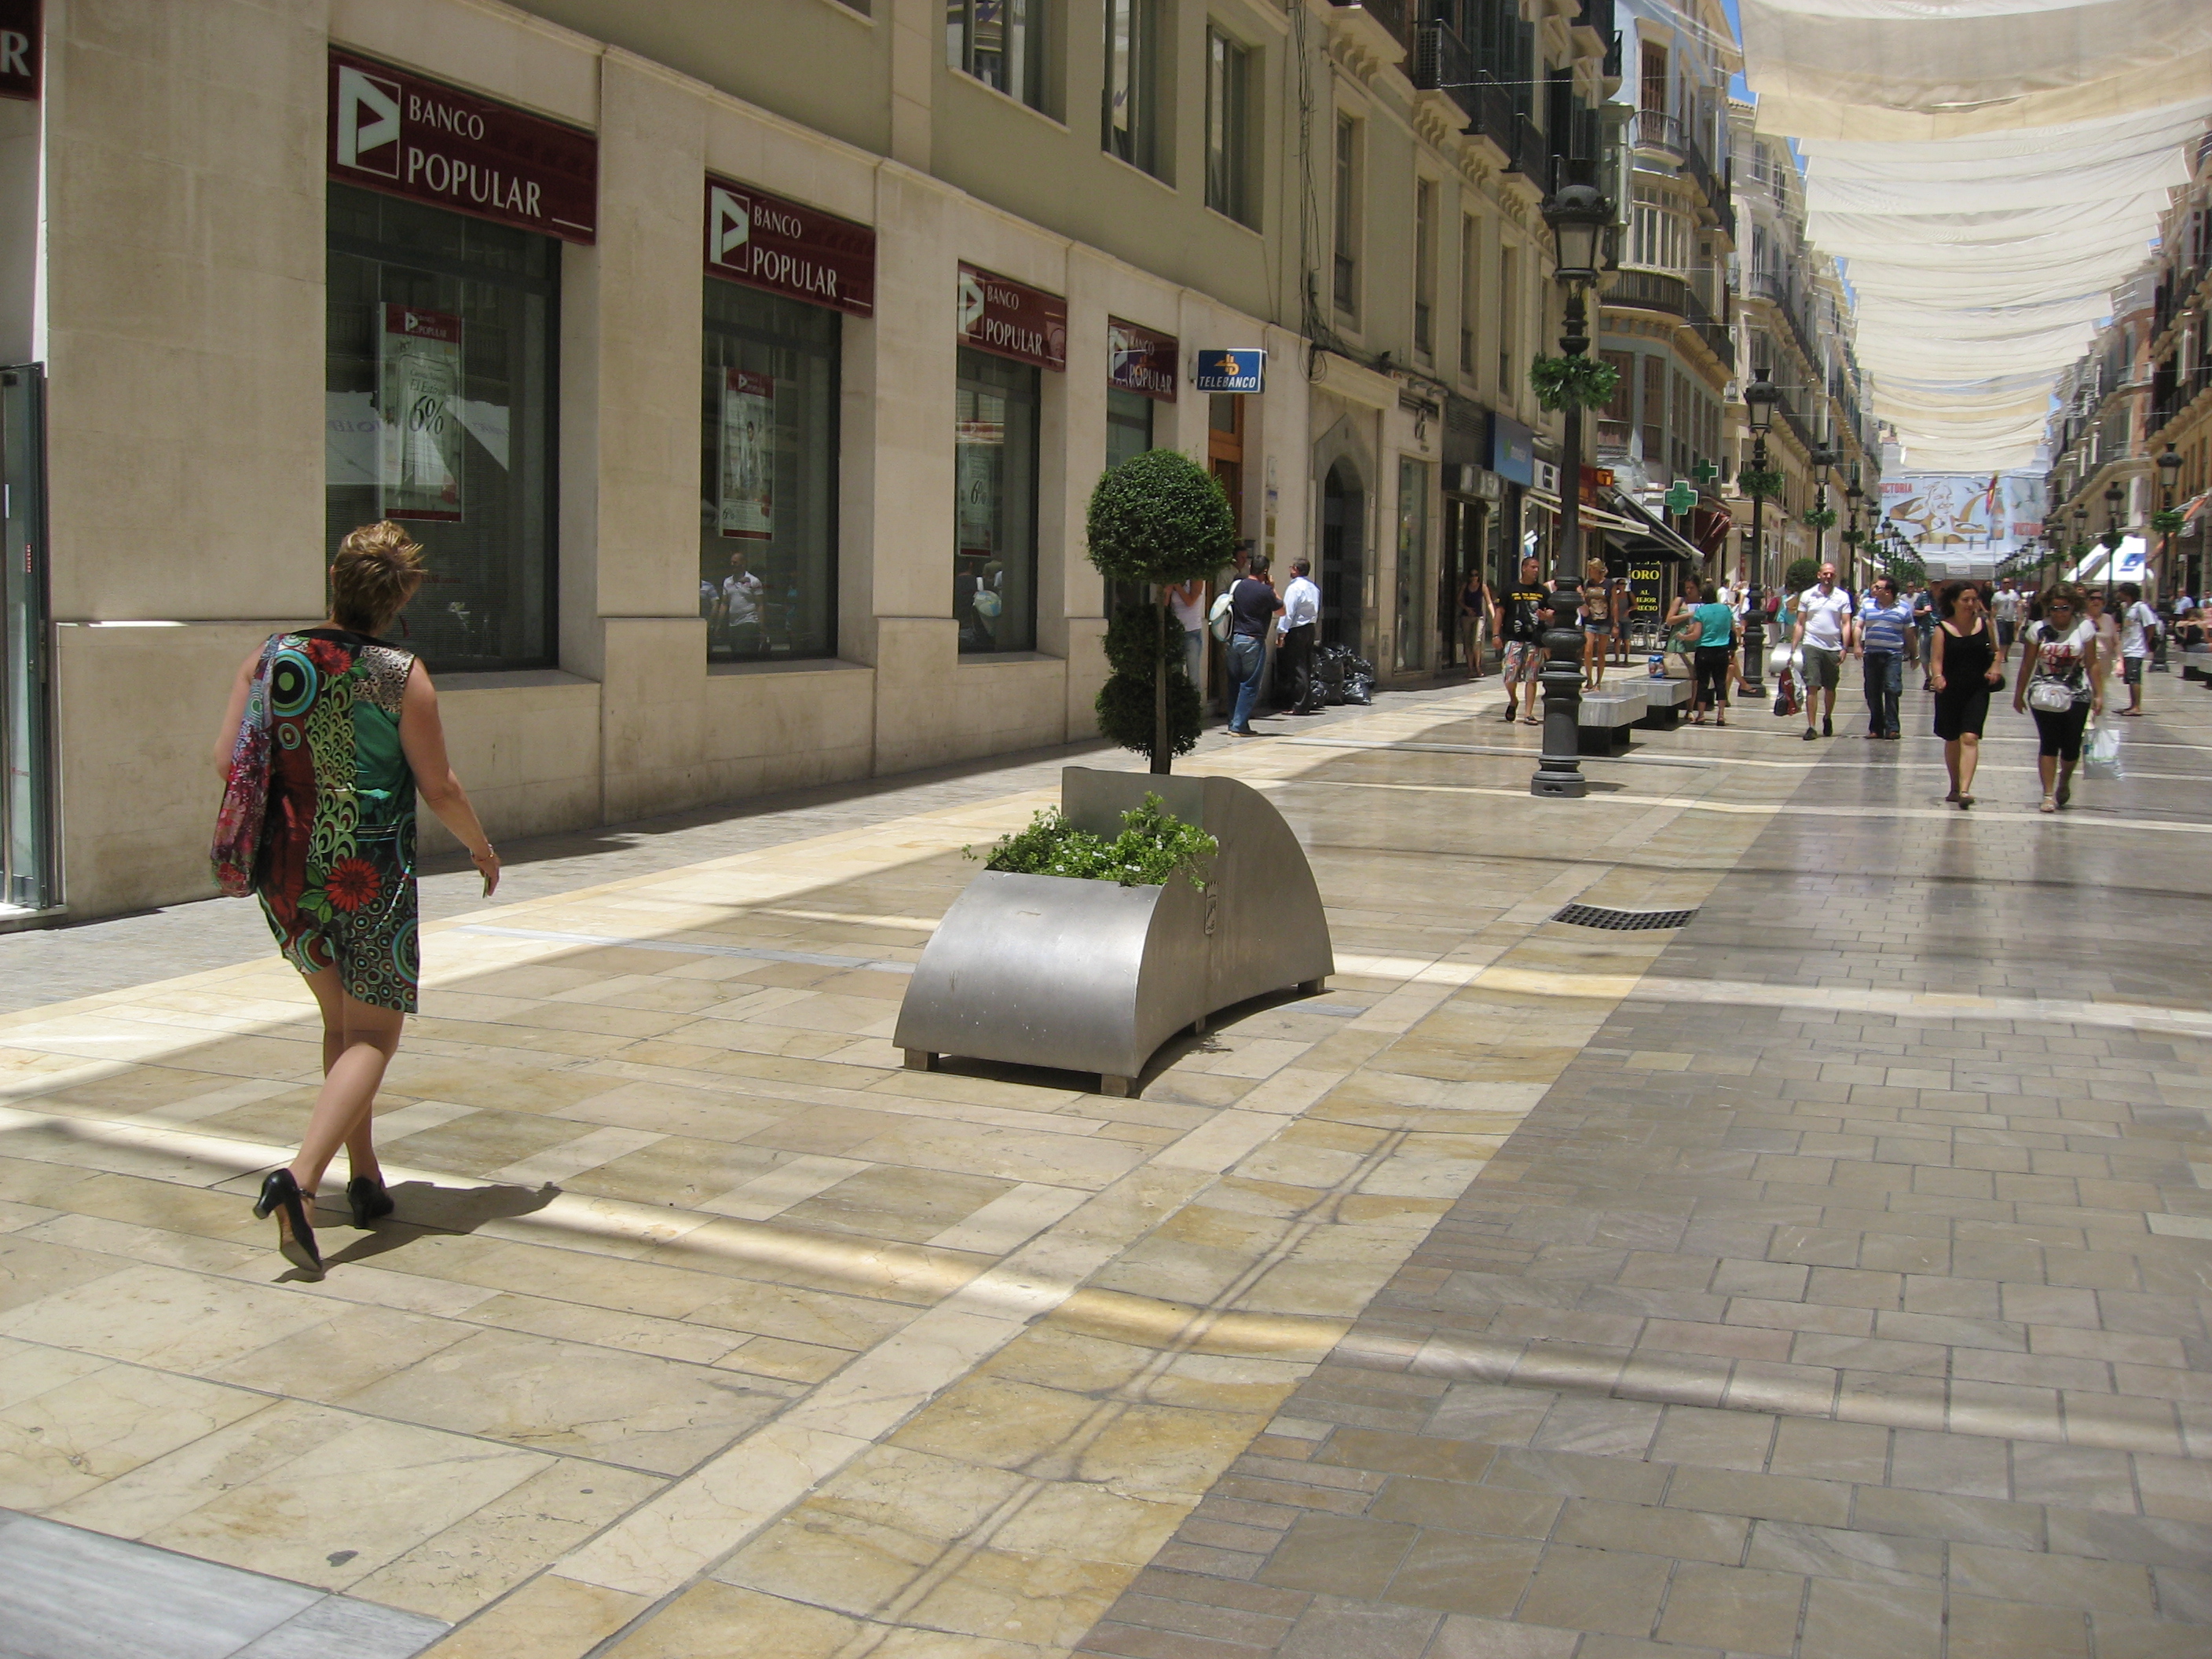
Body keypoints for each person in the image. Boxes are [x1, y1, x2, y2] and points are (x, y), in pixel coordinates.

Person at [210, 522, 500, 1277]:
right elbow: (439, 786)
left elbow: (226, 760)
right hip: (367, 869)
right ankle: (299, 1181)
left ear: (335, 580)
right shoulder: (400, 673)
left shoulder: (270, 658)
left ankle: (363, 1174)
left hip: (285, 864)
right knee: (373, 1034)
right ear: (399, 599)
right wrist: (481, 847)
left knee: (340, 1022)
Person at [2015, 584, 2102, 814]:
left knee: (2071, 746)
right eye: (2054, 608)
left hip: (2077, 693)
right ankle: (2047, 794)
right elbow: (2027, 664)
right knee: (2049, 742)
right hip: (2044, 692)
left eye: (2064, 608)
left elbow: (2092, 663)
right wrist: (2019, 694)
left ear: (2073, 606)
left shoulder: (2084, 628)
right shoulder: (2038, 629)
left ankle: (2064, 780)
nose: (2059, 613)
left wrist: (2099, 694)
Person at [1930, 580, 2002, 808]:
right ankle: (1954, 785)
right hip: (1950, 690)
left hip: (1977, 689)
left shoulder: (1985, 624)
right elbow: (1936, 660)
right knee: (1952, 738)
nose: (1970, 604)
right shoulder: (1942, 629)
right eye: (1965, 600)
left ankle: (1965, 789)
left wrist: (1995, 667)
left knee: (1970, 737)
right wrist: (1937, 677)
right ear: (1954, 602)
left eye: (1974, 599)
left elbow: (1997, 651)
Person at [1791, 562, 1853, 741]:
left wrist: (1845, 647)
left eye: (1831, 574)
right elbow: (1800, 623)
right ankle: (1811, 726)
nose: (1828, 577)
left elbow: (1846, 623)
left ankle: (1827, 717)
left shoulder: (1842, 597)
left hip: (1833, 647)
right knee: (1812, 685)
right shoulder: (1808, 595)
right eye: (1825, 574)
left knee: (1830, 687)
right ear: (1819, 575)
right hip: (1812, 644)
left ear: (1835, 576)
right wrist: (1793, 647)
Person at [1225, 555, 1282, 736]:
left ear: (1250, 567)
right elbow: (1282, 610)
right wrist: (1272, 588)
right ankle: (1239, 725)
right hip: (1253, 640)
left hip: (1234, 639)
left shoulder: (1238, 585)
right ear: (1265, 571)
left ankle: (1233, 722)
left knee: (1234, 683)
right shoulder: (1265, 591)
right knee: (1249, 684)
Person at [1853, 575, 1916, 740]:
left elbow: (1909, 633)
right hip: (1872, 654)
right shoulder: (1868, 605)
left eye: (1878, 587)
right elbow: (1859, 626)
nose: (1874, 589)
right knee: (1872, 691)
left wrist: (1914, 654)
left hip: (1893, 655)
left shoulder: (1903, 608)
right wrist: (1857, 645)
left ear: (1888, 592)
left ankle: (1892, 727)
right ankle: (1876, 727)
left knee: (1891, 688)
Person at [1675, 573, 1738, 726]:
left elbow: (1696, 634)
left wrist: (1683, 637)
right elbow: (1732, 629)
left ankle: (1701, 715)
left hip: (1704, 650)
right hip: (1722, 650)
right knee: (1720, 683)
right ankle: (1721, 715)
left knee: (1703, 683)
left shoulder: (1701, 611)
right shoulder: (1725, 610)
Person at [1499, 555, 1549, 725]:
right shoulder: (1510, 589)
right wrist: (1496, 635)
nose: (1536, 571)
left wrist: (1546, 616)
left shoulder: (1542, 591)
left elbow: (1551, 612)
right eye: (1533, 567)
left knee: (1531, 677)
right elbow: (1500, 612)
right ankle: (1513, 700)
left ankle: (1528, 713)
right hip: (1514, 638)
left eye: (1537, 568)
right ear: (1524, 568)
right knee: (1509, 674)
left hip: (1534, 640)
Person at [1276, 558, 1320, 714]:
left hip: (1297, 629)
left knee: (1297, 667)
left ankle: (1298, 704)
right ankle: (1304, 702)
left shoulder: (1294, 588)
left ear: (1295, 569)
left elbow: (1288, 612)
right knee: (1306, 665)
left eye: (1291, 567)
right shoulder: (1313, 588)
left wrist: (1282, 632)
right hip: (1310, 628)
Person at [2115, 581, 2159, 716]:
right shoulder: (2127, 608)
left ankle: (2137, 706)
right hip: (2128, 647)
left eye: (2120, 591)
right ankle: (2132, 704)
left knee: (2135, 678)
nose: (2118, 594)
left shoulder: (2141, 607)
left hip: (2136, 648)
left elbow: (2151, 625)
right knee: (2130, 678)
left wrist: (2146, 641)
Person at [720, 548, 766, 656]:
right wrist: (719, 624)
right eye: (731, 562)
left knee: (744, 651)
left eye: (735, 562)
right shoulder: (727, 582)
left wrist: (762, 626)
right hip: (733, 624)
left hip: (749, 621)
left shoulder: (754, 581)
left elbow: (760, 604)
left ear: (743, 564)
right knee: (735, 652)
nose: (732, 564)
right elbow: (724, 604)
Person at [1163, 576, 1207, 689]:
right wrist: (1167, 592)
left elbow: (1190, 601)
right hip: (1176, 631)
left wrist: (1177, 585)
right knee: (1175, 673)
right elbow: (1165, 606)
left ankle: (1195, 699)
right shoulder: (1173, 581)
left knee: (1193, 675)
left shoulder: (1197, 580)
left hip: (1192, 632)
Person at [1580, 557, 1617, 689]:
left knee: (1601, 652)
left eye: (1592, 569)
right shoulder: (1587, 584)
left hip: (1605, 621)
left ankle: (1598, 681)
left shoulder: (1609, 584)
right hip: (1590, 620)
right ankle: (1589, 679)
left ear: (1597, 570)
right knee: (1588, 650)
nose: (1590, 572)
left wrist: (1615, 624)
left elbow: (1614, 604)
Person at [1457, 566, 1491, 679]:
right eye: (1472, 575)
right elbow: (1459, 599)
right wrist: (1467, 608)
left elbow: (1489, 602)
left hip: (1478, 616)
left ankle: (1478, 667)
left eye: (1476, 575)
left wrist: (1493, 615)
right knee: (1467, 642)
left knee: (1477, 641)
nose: (1474, 578)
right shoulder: (1465, 586)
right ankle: (1470, 669)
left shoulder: (1483, 587)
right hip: (1466, 616)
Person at [1911, 581, 1939, 688]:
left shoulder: (1945, 597)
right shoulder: (1924, 597)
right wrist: (1923, 612)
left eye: (1938, 584)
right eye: (1934, 584)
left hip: (1939, 629)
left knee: (1936, 655)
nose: (1936, 586)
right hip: (1926, 628)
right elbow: (1915, 612)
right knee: (1924, 655)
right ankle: (1928, 677)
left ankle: (1935, 678)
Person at [1991, 579, 2022, 657]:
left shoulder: (2014, 595)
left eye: (2008, 583)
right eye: (2005, 583)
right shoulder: (1997, 595)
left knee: (2010, 639)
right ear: (2002, 584)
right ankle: (2001, 655)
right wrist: (1992, 618)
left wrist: (2019, 618)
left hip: (2011, 619)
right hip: (2000, 618)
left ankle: (2006, 654)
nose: (2006, 584)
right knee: (2003, 637)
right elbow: (1994, 607)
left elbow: (2018, 606)